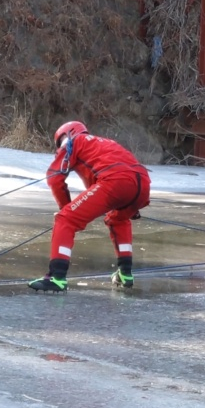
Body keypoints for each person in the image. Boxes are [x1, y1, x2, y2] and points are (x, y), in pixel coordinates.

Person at [28, 121, 151, 292]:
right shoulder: (107, 143)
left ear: (65, 135)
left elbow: (54, 177)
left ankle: (57, 278)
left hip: (116, 181)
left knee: (65, 219)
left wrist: (66, 208)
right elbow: (122, 172)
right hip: (143, 183)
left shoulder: (73, 141)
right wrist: (132, 201)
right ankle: (125, 272)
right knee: (118, 219)